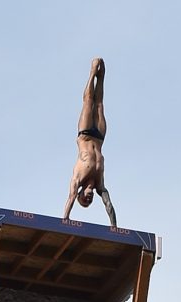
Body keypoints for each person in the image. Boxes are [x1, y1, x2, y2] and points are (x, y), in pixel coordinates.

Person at [63, 58, 117, 227]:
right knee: (99, 105)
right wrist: (114, 225)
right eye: (89, 202)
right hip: (99, 137)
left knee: (88, 102)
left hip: (85, 135)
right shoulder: (100, 186)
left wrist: (65, 219)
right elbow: (108, 204)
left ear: (79, 194)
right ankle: (101, 76)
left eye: (84, 201)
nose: (88, 199)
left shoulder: (77, 179)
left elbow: (70, 197)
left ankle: (92, 71)